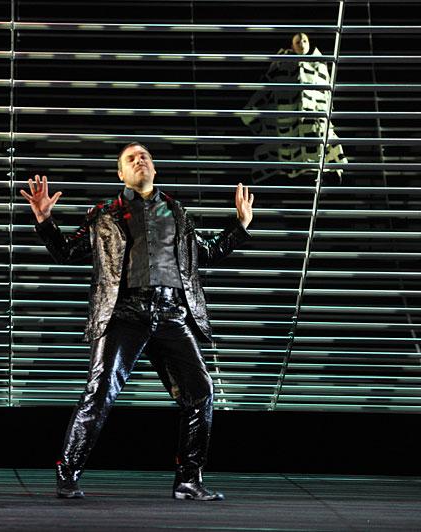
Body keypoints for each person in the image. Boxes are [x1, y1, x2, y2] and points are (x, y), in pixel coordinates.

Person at [21, 142, 254, 500]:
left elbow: (206, 252)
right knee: (99, 392)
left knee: (201, 392)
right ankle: (68, 472)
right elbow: (67, 251)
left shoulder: (177, 212)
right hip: (123, 312)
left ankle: (189, 481)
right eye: (130, 159)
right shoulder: (103, 214)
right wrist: (44, 220)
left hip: (172, 312)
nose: (139, 160)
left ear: (154, 169)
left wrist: (240, 225)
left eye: (144, 156)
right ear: (121, 174)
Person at [242, 32, 347, 184]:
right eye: (298, 42)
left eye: (305, 41)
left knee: (321, 147)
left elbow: (326, 94)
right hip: (288, 117)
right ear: (292, 46)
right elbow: (268, 85)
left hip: (314, 117)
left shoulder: (320, 65)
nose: (302, 44)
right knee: (287, 151)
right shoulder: (281, 64)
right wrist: (252, 108)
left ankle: (324, 175)